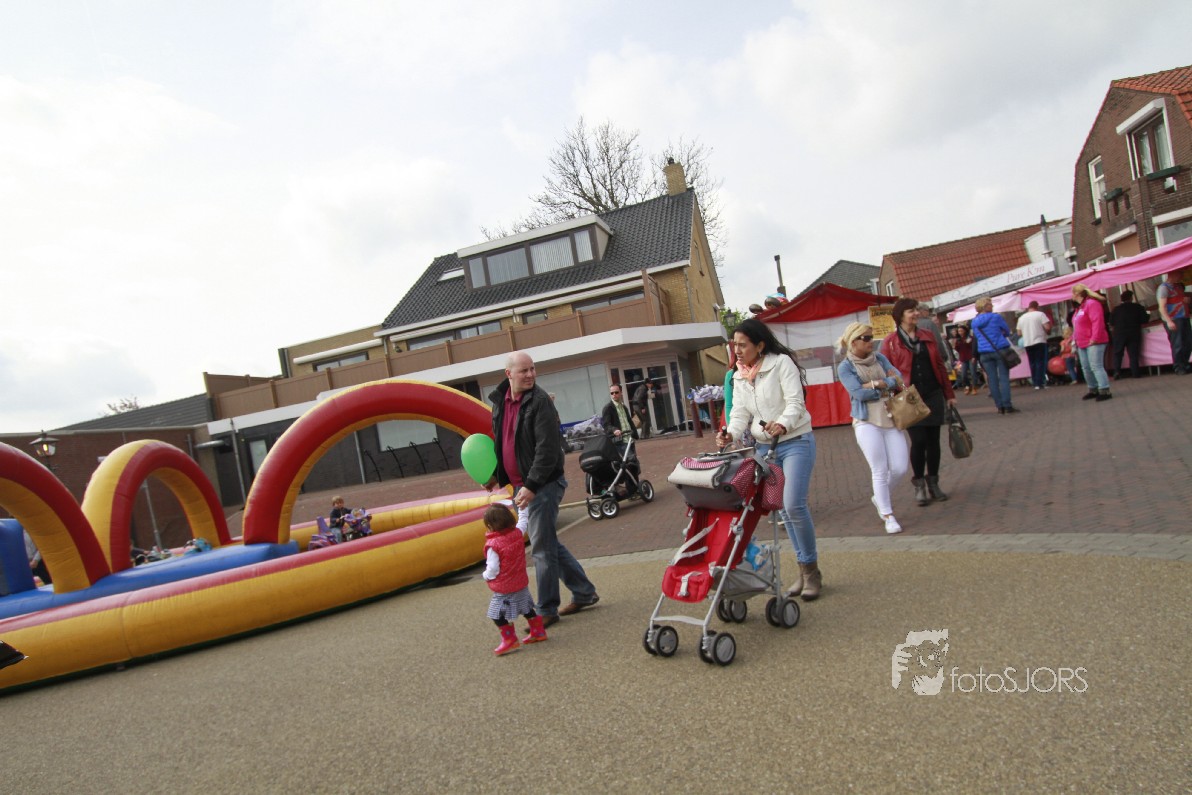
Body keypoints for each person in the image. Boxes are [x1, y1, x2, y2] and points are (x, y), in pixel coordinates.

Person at [487, 351, 599, 626]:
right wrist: (494, 476)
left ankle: (547, 609)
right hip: (521, 486)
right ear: (509, 374)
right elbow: (503, 442)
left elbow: (547, 450)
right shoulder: (500, 402)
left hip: (544, 484)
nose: (530, 375)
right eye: (524, 371)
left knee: (541, 547)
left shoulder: (540, 402)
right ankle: (584, 592)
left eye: (532, 369)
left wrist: (532, 485)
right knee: (547, 543)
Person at [714, 318, 821, 600]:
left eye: (742, 345)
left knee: (793, 505)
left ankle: (811, 571)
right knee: (783, 511)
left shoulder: (781, 363)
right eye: (734, 345)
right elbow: (739, 413)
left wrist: (783, 423)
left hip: (795, 441)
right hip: (765, 448)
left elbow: (796, 402)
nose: (737, 350)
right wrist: (729, 433)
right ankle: (803, 569)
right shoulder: (738, 376)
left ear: (759, 345)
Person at [882, 297, 958, 507]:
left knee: (934, 441)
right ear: (900, 316)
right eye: (910, 311)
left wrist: (949, 394)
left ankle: (933, 482)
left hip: (932, 392)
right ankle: (919, 484)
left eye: (916, 310)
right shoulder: (890, 342)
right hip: (909, 397)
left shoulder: (927, 336)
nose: (915, 314)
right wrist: (893, 391)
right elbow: (884, 370)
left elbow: (939, 365)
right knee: (919, 441)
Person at [836, 322, 908, 534]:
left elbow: (898, 379)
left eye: (871, 337)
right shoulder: (845, 367)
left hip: (890, 416)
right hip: (866, 420)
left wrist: (876, 384)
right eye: (866, 338)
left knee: (900, 467)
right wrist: (883, 384)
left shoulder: (880, 358)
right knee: (879, 469)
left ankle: (879, 497)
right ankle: (887, 514)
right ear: (853, 341)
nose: (871, 342)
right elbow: (858, 393)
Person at [482, 502, 547, 655]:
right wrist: (523, 507)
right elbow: (523, 520)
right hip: (520, 582)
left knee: (496, 614)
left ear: (490, 525)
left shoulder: (493, 545)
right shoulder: (517, 533)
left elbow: (493, 568)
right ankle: (538, 631)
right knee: (526, 607)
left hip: (504, 588)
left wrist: (486, 576)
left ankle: (509, 639)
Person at [970, 295, 1020, 415]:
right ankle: (1007, 405)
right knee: (1003, 378)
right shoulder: (995, 317)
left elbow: (977, 336)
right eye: (990, 304)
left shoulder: (974, 322)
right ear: (985, 306)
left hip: (984, 353)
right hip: (999, 350)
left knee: (992, 380)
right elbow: (1007, 331)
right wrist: (1000, 334)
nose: (992, 306)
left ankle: (999, 406)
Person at [1071, 284, 1112, 401]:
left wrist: (1095, 337)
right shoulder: (1080, 308)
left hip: (1093, 341)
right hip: (1082, 342)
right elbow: (1076, 326)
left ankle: (1104, 389)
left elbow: (1097, 321)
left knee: (1096, 366)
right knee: (1086, 367)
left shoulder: (1091, 304)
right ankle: (1093, 388)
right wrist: (1074, 340)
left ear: (1077, 294)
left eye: (1072, 293)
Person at [1156, 269, 1191, 374]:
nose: (1181, 275)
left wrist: (1186, 301)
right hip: (1174, 319)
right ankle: (1178, 366)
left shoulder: (1178, 286)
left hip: (1184, 317)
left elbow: (1179, 300)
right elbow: (1162, 307)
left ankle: (1185, 363)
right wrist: (1169, 321)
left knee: (1188, 342)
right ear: (1173, 273)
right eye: (1180, 273)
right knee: (1178, 343)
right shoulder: (1163, 288)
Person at [1109, 290, 1150, 379]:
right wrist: (1148, 314)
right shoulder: (1138, 307)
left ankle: (1117, 372)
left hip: (1119, 333)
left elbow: (1111, 322)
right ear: (1131, 298)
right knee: (1133, 353)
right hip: (1134, 332)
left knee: (1118, 353)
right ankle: (1135, 372)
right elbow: (1144, 320)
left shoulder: (1116, 309)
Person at [1016, 301, 1052, 390]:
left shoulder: (1021, 318)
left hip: (1027, 342)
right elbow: (1047, 327)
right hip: (1040, 341)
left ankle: (1035, 382)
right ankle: (1041, 382)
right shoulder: (1040, 314)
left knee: (1032, 363)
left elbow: (1019, 333)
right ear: (1037, 307)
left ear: (1028, 307)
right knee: (1040, 362)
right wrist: (1047, 332)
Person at [952, 325, 978, 395]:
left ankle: (974, 387)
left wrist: (974, 356)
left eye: (961, 331)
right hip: (963, 358)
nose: (960, 332)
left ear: (965, 331)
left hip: (971, 357)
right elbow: (957, 349)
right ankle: (968, 386)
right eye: (959, 331)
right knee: (963, 374)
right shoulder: (958, 339)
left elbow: (973, 347)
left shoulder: (970, 338)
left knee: (973, 373)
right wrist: (955, 345)